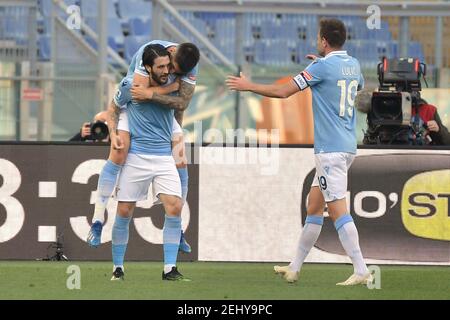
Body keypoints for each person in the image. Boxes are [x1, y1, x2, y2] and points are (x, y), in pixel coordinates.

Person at [226, 18, 372, 286]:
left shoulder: (320, 67)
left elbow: (283, 92)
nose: (317, 40)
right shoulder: (352, 64)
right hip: (347, 145)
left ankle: (361, 269)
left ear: (324, 41)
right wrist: (322, 64)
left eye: (318, 37)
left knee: (338, 211)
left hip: (330, 150)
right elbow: (354, 85)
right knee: (314, 206)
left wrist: (249, 86)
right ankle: (294, 267)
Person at [87, 40, 199, 252]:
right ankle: (97, 220)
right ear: (170, 53)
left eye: (176, 71)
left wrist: (175, 122)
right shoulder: (147, 54)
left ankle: (179, 228)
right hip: (134, 110)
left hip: (163, 114)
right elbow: (140, 94)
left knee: (181, 159)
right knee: (119, 153)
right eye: (169, 67)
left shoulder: (190, 63)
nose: (171, 72)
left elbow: (182, 104)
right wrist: (172, 88)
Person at [105, 44, 189, 281]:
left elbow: (182, 102)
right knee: (124, 211)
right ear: (148, 68)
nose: (166, 70)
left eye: (167, 65)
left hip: (163, 156)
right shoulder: (129, 85)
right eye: (160, 66)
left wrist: (163, 90)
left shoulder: (176, 83)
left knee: (174, 207)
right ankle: (118, 268)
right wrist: (113, 133)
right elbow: (112, 109)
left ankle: (169, 269)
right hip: (137, 157)